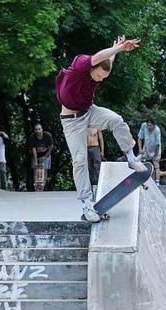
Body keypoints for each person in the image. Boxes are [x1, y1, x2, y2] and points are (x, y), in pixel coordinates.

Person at [55, 35, 147, 222]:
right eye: (99, 76)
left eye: (104, 78)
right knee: (79, 160)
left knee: (117, 120)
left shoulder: (100, 67)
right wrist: (119, 48)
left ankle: (130, 157)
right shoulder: (81, 64)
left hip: (89, 112)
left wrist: (115, 51)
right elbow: (97, 57)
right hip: (71, 121)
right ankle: (87, 204)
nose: (100, 80)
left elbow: (106, 59)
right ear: (92, 68)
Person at [27, 123, 54, 191]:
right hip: (36, 154)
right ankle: (36, 184)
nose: (38, 131)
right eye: (36, 129)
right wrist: (36, 160)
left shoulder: (47, 136)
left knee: (44, 169)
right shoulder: (32, 137)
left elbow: (51, 146)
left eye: (39, 129)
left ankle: (43, 185)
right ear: (34, 131)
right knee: (35, 168)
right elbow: (33, 149)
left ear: (42, 129)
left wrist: (45, 157)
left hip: (45, 154)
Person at [137, 118, 162, 183]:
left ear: (154, 125)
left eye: (150, 126)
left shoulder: (157, 130)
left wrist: (155, 155)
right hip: (146, 147)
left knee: (156, 163)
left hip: (155, 148)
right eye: (148, 125)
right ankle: (139, 177)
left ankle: (157, 182)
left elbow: (157, 145)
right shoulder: (144, 126)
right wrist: (140, 149)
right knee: (138, 159)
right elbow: (139, 138)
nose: (149, 127)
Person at [87, 128, 104, 194]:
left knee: (97, 168)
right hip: (87, 148)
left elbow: (101, 139)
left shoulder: (97, 127)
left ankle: (99, 187)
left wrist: (102, 151)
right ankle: (92, 189)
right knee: (89, 168)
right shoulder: (84, 127)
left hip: (95, 147)